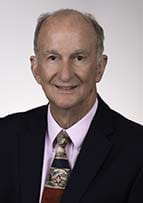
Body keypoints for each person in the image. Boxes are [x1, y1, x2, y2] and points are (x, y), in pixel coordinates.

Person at [0, 9, 143, 203]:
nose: (65, 74)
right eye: (53, 57)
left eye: (79, 58)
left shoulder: (137, 150)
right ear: (35, 69)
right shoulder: (5, 136)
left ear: (100, 67)